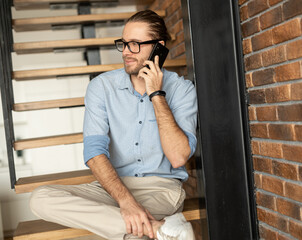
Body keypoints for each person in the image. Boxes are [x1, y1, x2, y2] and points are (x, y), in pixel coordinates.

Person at [29, 10, 198, 240]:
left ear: (159, 47)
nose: (126, 52)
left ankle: (140, 229)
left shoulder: (182, 90)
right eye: (124, 43)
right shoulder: (101, 87)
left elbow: (178, 157)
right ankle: (159, 229)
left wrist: (157, 94)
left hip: (161, 189)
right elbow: (94, 153)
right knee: (40, 198)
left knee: (135, 235)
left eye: (135, 44)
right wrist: (126, 202)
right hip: (112, 187)